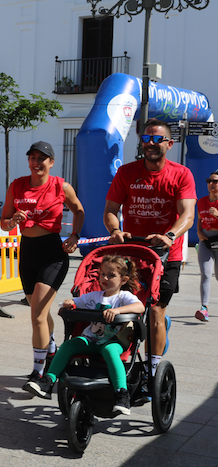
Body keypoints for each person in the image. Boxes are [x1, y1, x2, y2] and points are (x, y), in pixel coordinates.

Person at [103, 118, 196, 380]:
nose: (151, 144)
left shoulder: (181, 174)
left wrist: (170, 235)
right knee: (130, 308)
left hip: (167, 255)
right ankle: (124, 360)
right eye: (146, 139)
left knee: (156, 310)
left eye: (157, 139)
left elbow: (187, 215)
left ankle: (152, 371)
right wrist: (115, 231)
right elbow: (110, 211)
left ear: (169, 143)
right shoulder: (127, 173)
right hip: (132, 254)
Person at [0, 141, 84, 391]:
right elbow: (4, 223)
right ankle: (53, 350)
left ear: (51, 162)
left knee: (36, 313)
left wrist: (74, 236)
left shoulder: (61, 186)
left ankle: (38, 374)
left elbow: (78, 211)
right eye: (32, 157)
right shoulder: (16, 185)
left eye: (42, 158)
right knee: (41, 311)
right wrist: (12, 220)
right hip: (27, 252)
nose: (36, 162)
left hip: (52, 253)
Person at [24, 255, 143, 416]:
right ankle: (48, 381)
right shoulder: (94, 296)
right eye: (102, 274)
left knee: (110, 351)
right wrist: (70, 303)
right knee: (68, 345)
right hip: (91, 339)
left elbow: (140, 307)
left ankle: (122, 393)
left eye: (111, 275)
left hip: (113, 341)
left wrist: (117, 311)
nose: (105, 278)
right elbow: (78, 301)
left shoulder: (123, 297)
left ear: (123, 280)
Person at [195, 170, 218, 322]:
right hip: (205, 241)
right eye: (209, 181)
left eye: (215, 181)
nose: (211, 184)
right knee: (205, 274)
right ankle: (204, 309)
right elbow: (199, 219)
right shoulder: (202, 201)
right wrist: (198, 232)